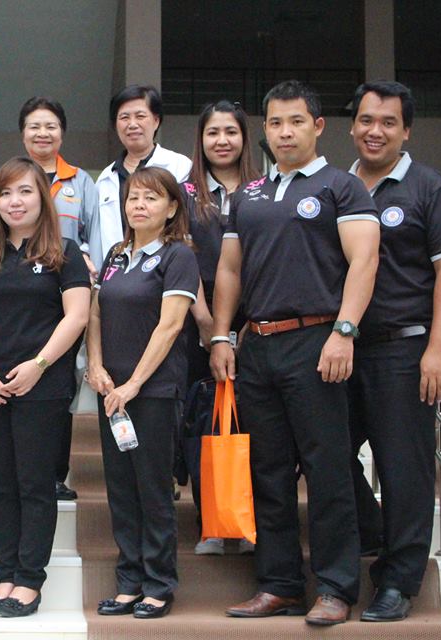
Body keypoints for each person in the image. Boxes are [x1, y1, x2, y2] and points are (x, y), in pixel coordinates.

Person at [210, 80, 380, 626]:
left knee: (328, 468)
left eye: (296, 121)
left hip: (318, 342)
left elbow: (364, 262)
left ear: (318, 126)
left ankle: (334, 587)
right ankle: (279, 584)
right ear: (265, 129)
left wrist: (344, 331)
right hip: (257, 345)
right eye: (276, 123)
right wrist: (221, 334)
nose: (285, 132)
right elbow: (229, 269)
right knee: (268, 471)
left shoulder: (342, 188)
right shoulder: (249, 195)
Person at [347, 80, 441, 622]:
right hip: (342, 349)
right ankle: (371, 529)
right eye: (367, 120)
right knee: (321, 450)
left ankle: (398, 580)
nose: (375, 131)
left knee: (403, 469)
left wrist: (438, 349)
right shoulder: (337, 186)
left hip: (405, 351)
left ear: (406, 131)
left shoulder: (428, 188)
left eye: (388, 122)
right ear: (352, 126)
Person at [0, 157, 90, 617]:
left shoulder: (65, 253)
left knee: (35, 484)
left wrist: (38, 365)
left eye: (25, 192)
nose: (14, 202)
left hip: (42, 387)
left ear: (42, 199)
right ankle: (5, 575)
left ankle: (30, 580)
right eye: (6, 193)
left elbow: (77, 315)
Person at [87, 167, 200, 620]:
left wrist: (134, 384)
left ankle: (158, 583)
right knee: (121, 488)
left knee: (152, 489)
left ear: (171, 208)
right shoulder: (115, 255)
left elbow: (170, 326)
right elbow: (96, 315)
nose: (139, 205)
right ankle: (129, 581)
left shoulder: (178, 256)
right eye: (133, 197)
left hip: (152, 391)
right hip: (110, 392)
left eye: (151, 198)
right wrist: (96, 366)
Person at [181, 100, 259, 556]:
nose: (222, 140)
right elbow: (180, 258)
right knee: (204, 419)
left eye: (231, 131)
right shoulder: (185, 193)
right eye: (213, 132)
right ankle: (210, 520)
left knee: (252, 419)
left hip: (256, 318)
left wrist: (249, 324)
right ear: (201, 139)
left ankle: (246, 520)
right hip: (198, 316)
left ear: (245, 138)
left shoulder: (264, 189)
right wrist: (209, 324)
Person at [18, 96, 100, 502]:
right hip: (22, 296)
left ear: (62, 133)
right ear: (23, 133)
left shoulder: (80, 182)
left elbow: (94, 237)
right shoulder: (14, 179)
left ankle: (55, 474)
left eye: (50, 126)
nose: (42, 133)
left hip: (68, 297)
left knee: (60, 383)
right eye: (34, 126)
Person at [94, 85, 192, 263]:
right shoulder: (105, 179)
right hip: (116, 271)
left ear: (156, 121)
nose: (132, 124)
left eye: (140, 116)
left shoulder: (180, 166)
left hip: (166, 266)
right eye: (124, 117)